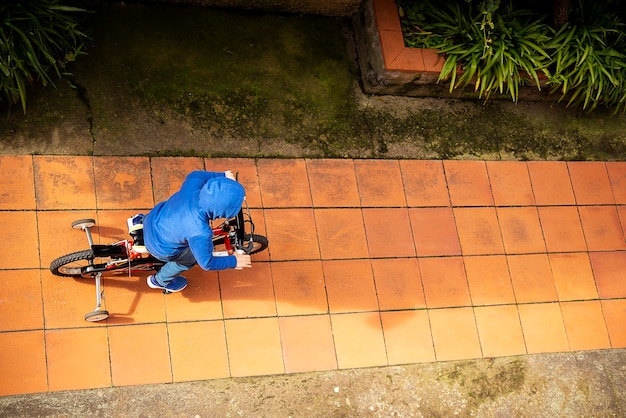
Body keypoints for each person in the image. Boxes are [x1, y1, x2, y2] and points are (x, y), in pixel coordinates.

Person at [143, 170, 252, 292]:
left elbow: (196, 175)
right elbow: (207, 263)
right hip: (160, 247)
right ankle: (159, 280)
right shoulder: (200, 232)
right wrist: (234, 261)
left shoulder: (192, 187)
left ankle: (140, 220)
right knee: (188, 260)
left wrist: (223, 175)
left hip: (152, 219)